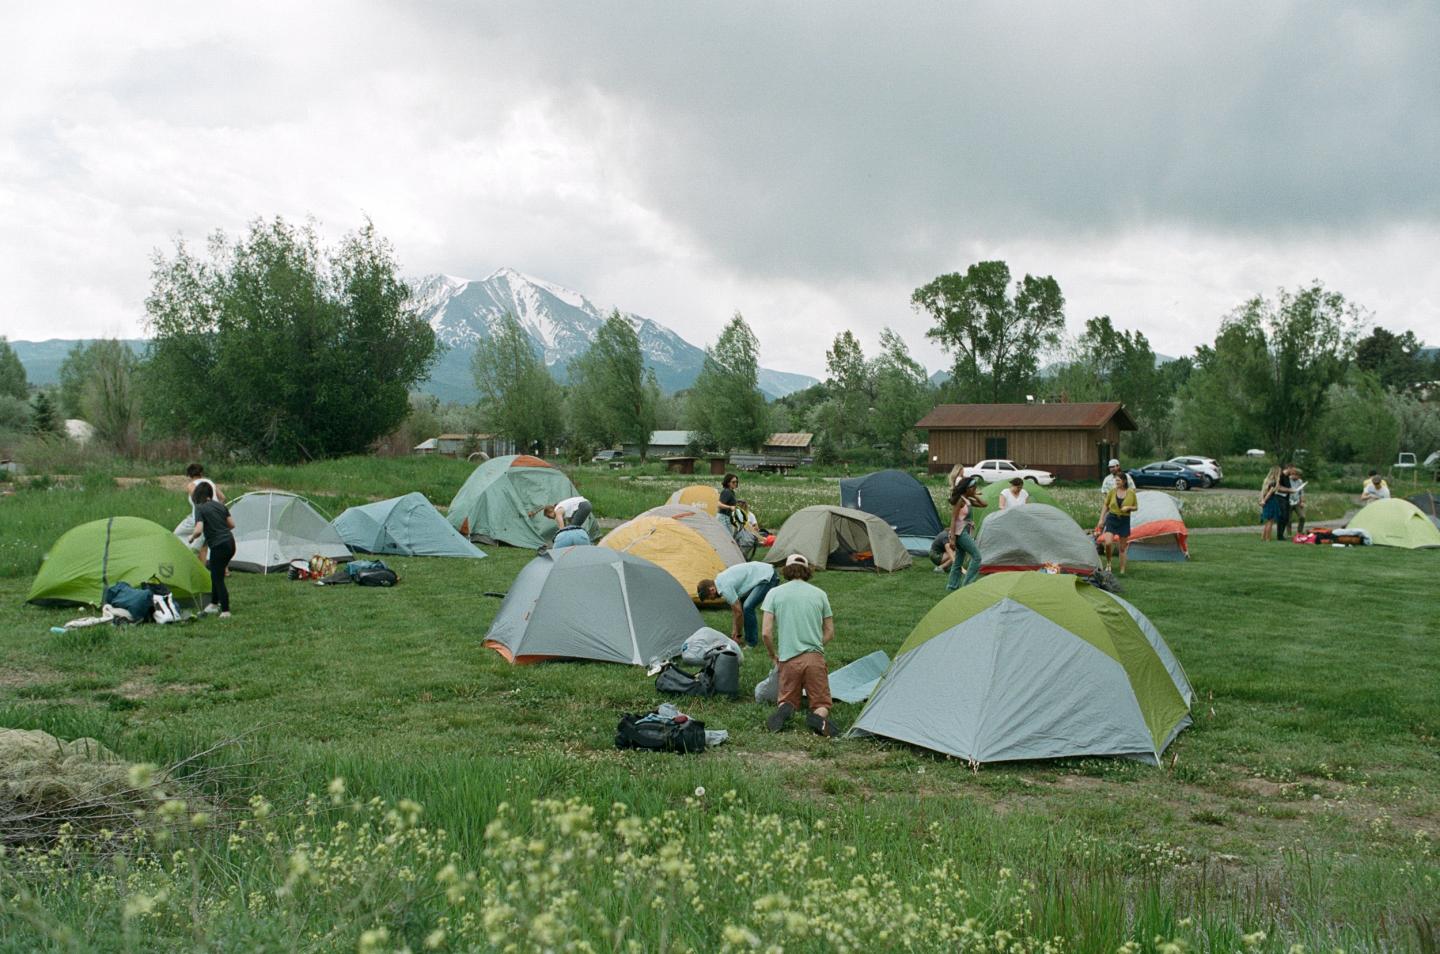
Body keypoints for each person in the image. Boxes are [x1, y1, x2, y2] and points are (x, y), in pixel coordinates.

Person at [760, 554, 838, 737]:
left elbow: (766, 632)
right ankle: (818, 717)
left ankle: (784, 711)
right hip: (814, 658)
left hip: (788, 659)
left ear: (786, 570)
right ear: (807, 570)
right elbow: (830, 632)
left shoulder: (774, 593)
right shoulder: (820, 594)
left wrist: (773, 655)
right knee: (821, 703)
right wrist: (817, 646)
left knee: (786, 698)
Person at [696, 560, 781, 647]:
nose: (711, 599)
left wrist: (738, 634)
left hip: (767, 576)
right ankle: (748, 639)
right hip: (761, 572)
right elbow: (735, 611)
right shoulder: (720, 582)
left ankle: (751, 643)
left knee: (748, 607)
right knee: (744, 605)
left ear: (712, 590)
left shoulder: (725, 588)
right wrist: (735, 630)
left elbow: (738, 613)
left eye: (709, 597)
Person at [187, 481, 235, 618]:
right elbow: (232, 524)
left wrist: (191, 538)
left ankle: (225, 610)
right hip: (230, 543)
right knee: (215, 573)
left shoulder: (200, 508)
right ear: (210, 494)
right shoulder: (220, 506)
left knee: (217, 577)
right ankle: (213, 604)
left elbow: (198, 530)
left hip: (219, 545)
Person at [176, 463, 225, 563]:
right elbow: (223, 498)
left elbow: (199, 500)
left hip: (199, 518)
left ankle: (184, 559)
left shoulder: (191, 485)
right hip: (215, 517)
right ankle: (224, 570)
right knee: (206, 544)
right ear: (201, 473)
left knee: (177, 535)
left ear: (188, 475)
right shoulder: (209, 482)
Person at [946, 474, 987, 591]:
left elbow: (984, 504)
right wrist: (952, 538)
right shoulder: (960, 501)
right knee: (977, 557)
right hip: (960, 533)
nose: (975, 490)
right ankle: (967, 585)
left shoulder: (967, 500)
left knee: (958, 561)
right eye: (973, 488)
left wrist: (974, 495)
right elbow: (953, 518)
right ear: (967, 488)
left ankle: (952, 586)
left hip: (965, 531)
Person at [1098, 471, 1138, 573]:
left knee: (1122, 548)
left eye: (1118, 480)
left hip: (1124, 520)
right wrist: (1101, 519)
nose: (1116, 482)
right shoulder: (1112, 491)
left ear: (1124, 481)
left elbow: (1136, 507)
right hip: (1112, 518)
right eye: (1116, 480)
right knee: (1108, 542)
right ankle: (1108, 563)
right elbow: (1106, 505)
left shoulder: (1131, 493)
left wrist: (1128, 507)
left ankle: (1122, 570)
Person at [1259, 466, 1286, 542]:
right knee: (1270, 521)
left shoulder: (1267, 481)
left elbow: (1263, 492)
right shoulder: (1274, 482)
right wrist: (1264, 500)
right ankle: (1268, 538)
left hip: (1266, 501)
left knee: (1267, 521)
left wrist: (1262, 499)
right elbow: (1270, 493)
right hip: (1271, 501)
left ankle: (1263, 537)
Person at [1281, 464, 1306, 536]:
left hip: (1297, 502)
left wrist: (1302, 501)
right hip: (1288, 501)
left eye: (1299, 476)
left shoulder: (1300, 481)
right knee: (1289, 519)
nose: (1299, 477)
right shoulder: (1287, 479)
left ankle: (1299, 532)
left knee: (1302, 517)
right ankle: (1289, 534)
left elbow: (1301, 492)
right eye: (1298, 475)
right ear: (1294, 474)